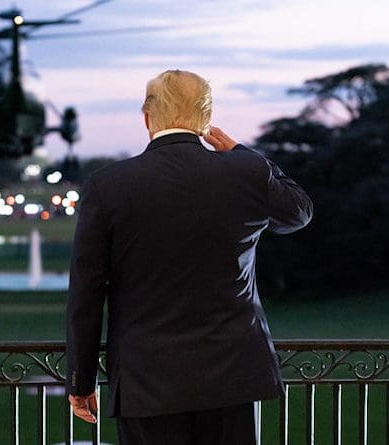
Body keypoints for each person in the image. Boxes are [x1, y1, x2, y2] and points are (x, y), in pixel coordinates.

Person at [66, 69, 313, 444]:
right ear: (205, 119)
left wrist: (80, 380)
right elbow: (298, 212)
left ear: (147, 117)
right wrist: (244, 154)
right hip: (233, 376)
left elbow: (86, 293)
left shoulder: (107, 185)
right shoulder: (244, 172)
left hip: (146, 381)